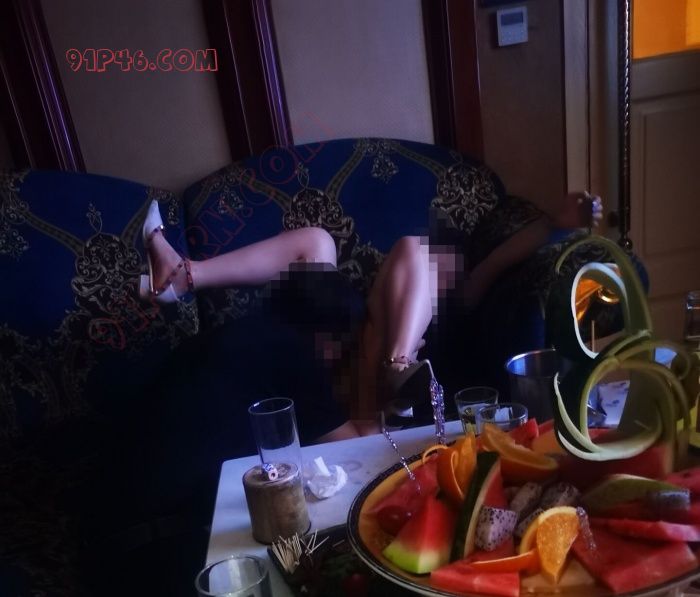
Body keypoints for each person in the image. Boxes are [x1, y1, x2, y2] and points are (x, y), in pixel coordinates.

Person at [140, 192, 603, 434]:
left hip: (377, 407)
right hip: (358, 359)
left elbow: (497, 262)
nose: (443, 266)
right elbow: (414, 262)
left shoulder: (463, 302)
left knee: (410, 251)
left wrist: (554, 225)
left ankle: (399, 369)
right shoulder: (385, 294)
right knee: (321, 242)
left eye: (449, 263)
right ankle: (184, 275)